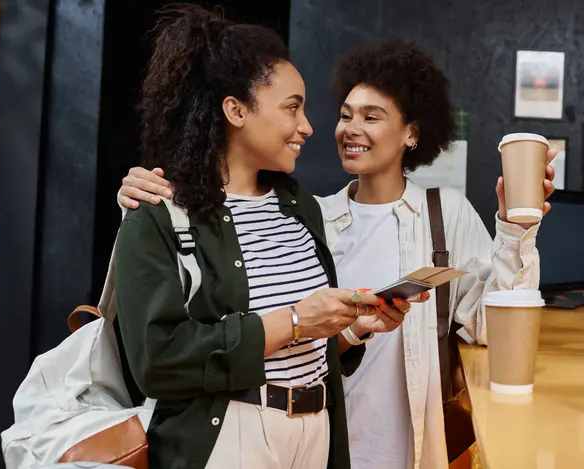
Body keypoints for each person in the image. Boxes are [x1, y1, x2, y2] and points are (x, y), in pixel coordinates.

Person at [119, 39, 556, 469]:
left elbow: (490, 324)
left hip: (386, 442)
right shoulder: (314, 217)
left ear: (411, 133)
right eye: (346, 115)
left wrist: (517, 228)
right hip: (324, 435)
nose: (348, 128)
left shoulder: (440, 215)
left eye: (371, 116)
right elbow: (175, 350)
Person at [113, 5, 423, 469]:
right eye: (292, 108)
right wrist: (296, 320)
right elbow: (158, 361)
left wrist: (354, 330)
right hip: (233, 439)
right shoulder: (157, 214)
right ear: (236, 110)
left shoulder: (300, 209)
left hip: (315, 432)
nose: (308, 127)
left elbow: (302, 349)